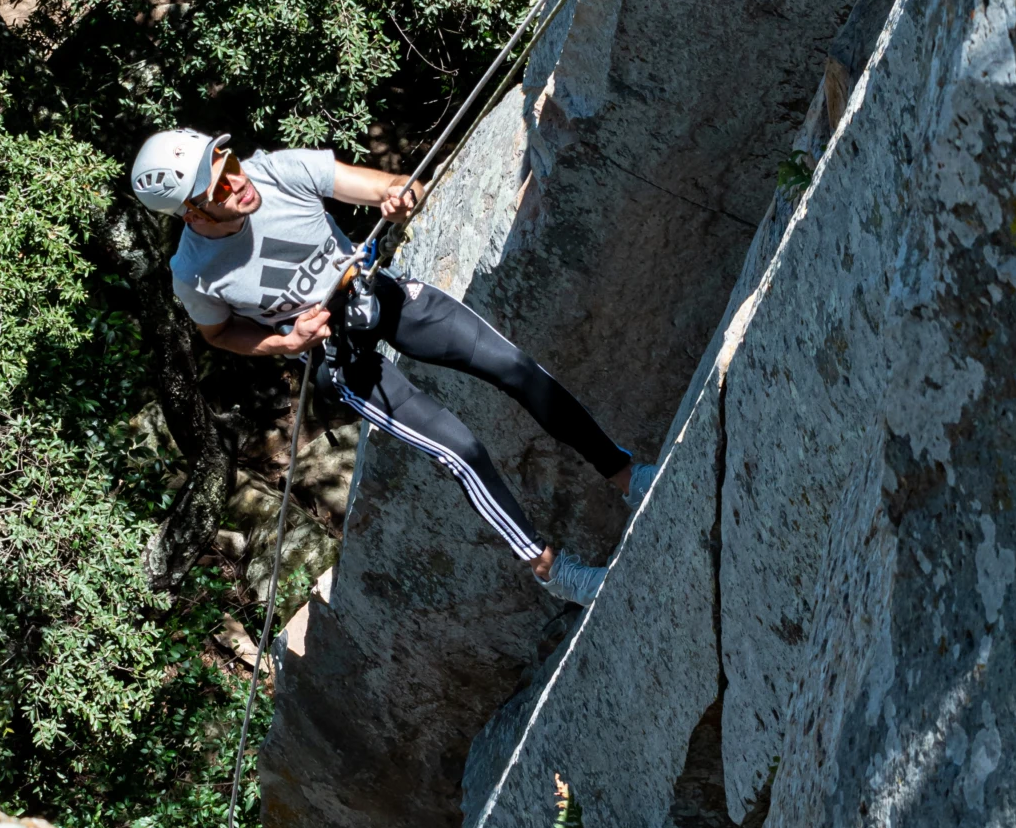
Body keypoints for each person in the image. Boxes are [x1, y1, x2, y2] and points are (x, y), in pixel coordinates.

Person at [130, 127, 653, 605]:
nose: (238, 184)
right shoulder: (194, 275)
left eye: (230, 164)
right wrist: (284, 341)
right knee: (460, 449)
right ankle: (553, 572)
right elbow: (220, 334)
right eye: (218, 189)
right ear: (192, 214)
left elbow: (391, 186)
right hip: (336, 351)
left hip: (375, 292)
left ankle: (627, 476)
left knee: (515, 368)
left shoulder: (279, 171)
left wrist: (400, 197)